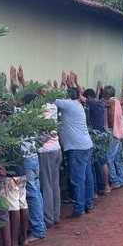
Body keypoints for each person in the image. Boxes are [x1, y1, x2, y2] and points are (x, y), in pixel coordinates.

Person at [55, 86, 94, 217]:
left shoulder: (68, 104)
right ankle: (88, 203)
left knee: (78, 179)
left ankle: (79, 208)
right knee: (87, 176)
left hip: (76, 147)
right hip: (85, 145)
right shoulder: (77, 104)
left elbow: (52, 100)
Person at [38, 95, 62, 227]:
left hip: (46, 151)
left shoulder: (39, 110)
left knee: (46, 185)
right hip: (56, 148)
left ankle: (48, 219)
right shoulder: (53, 107)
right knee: (54, 184)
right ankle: (55, 215)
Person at [103, 85, 123, 189]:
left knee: (109, 158)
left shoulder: (111, 102)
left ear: (106, 95)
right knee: (117, 158)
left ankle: (115, 181)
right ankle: (122, 180)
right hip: (119, 132)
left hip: (114, 133)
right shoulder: (116, 101)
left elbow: (96, 102)